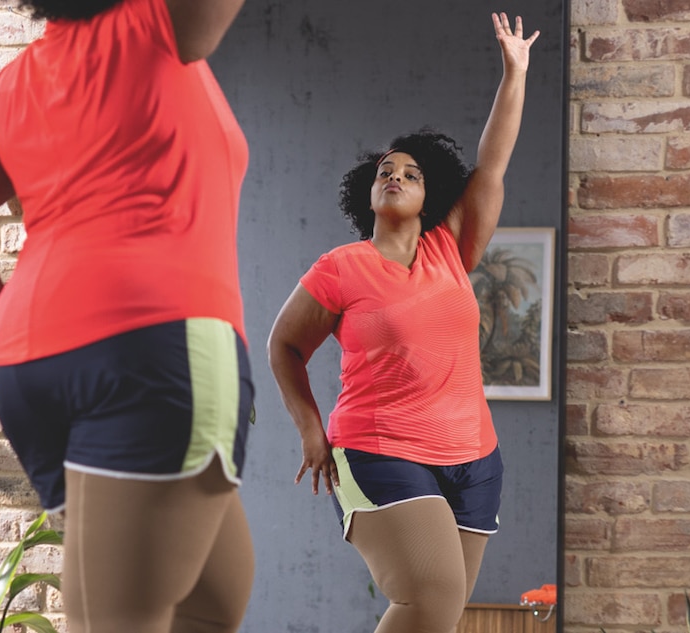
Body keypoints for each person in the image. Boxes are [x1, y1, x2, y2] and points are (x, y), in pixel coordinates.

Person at [0, 0, 253, 631]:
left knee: (214, 595)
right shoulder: (154, 23)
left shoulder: (20, 78)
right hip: (152, 346)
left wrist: (29, 333)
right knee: (122, 618)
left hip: (30, 366)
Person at [266, 13, 538, 633]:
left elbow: (491, 164)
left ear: (430, 192)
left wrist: (514, 73)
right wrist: (310, 428)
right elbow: (284, 345)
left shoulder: (452, 247)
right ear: (369, 192)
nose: (397, 176)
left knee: (437, 616)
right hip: (379, 450)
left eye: (412, 173)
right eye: (387, 170)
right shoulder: (341, 268)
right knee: (433, 595)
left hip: (476, 458)